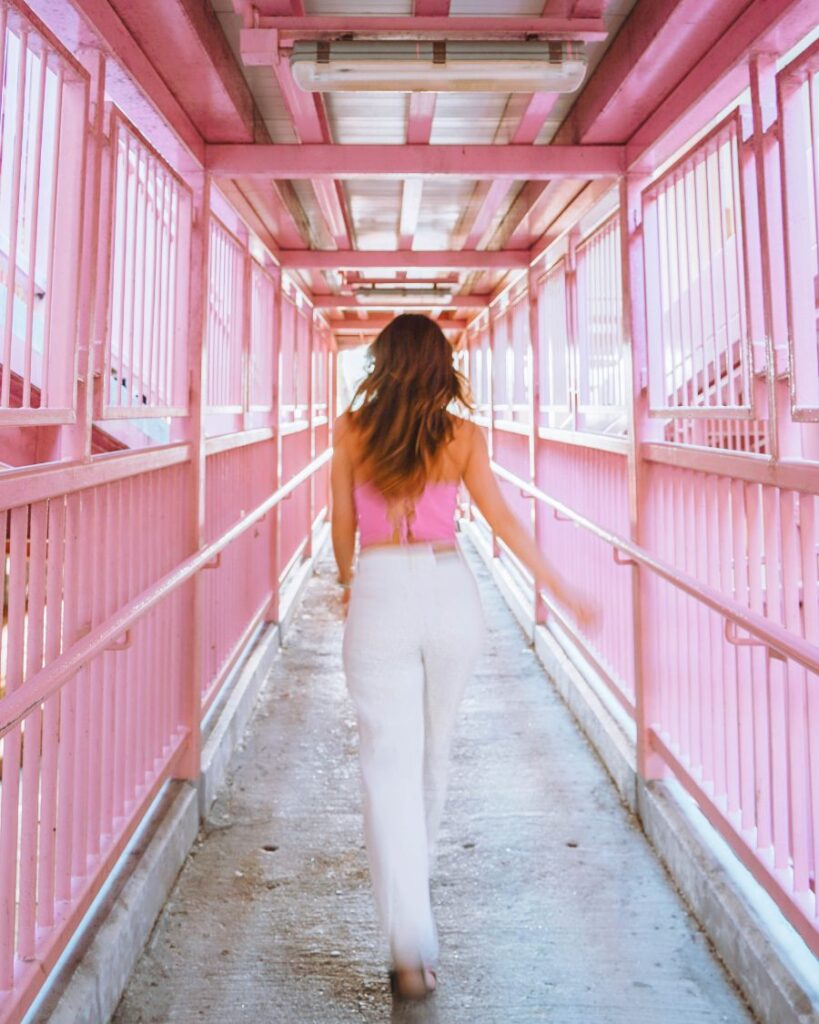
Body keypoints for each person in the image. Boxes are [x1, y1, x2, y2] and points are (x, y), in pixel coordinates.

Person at [331, 313, 596, 1002]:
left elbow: (340, 523)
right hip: (450, 593)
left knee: (385, 766)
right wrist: (561, 586)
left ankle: (408, 942)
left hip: (381, 587)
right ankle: (414, 918)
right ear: (440, 364)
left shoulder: (352, 429)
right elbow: (502, 519)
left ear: (383, 362)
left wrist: (345, 582)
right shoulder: (461, 436)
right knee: (431, 761)